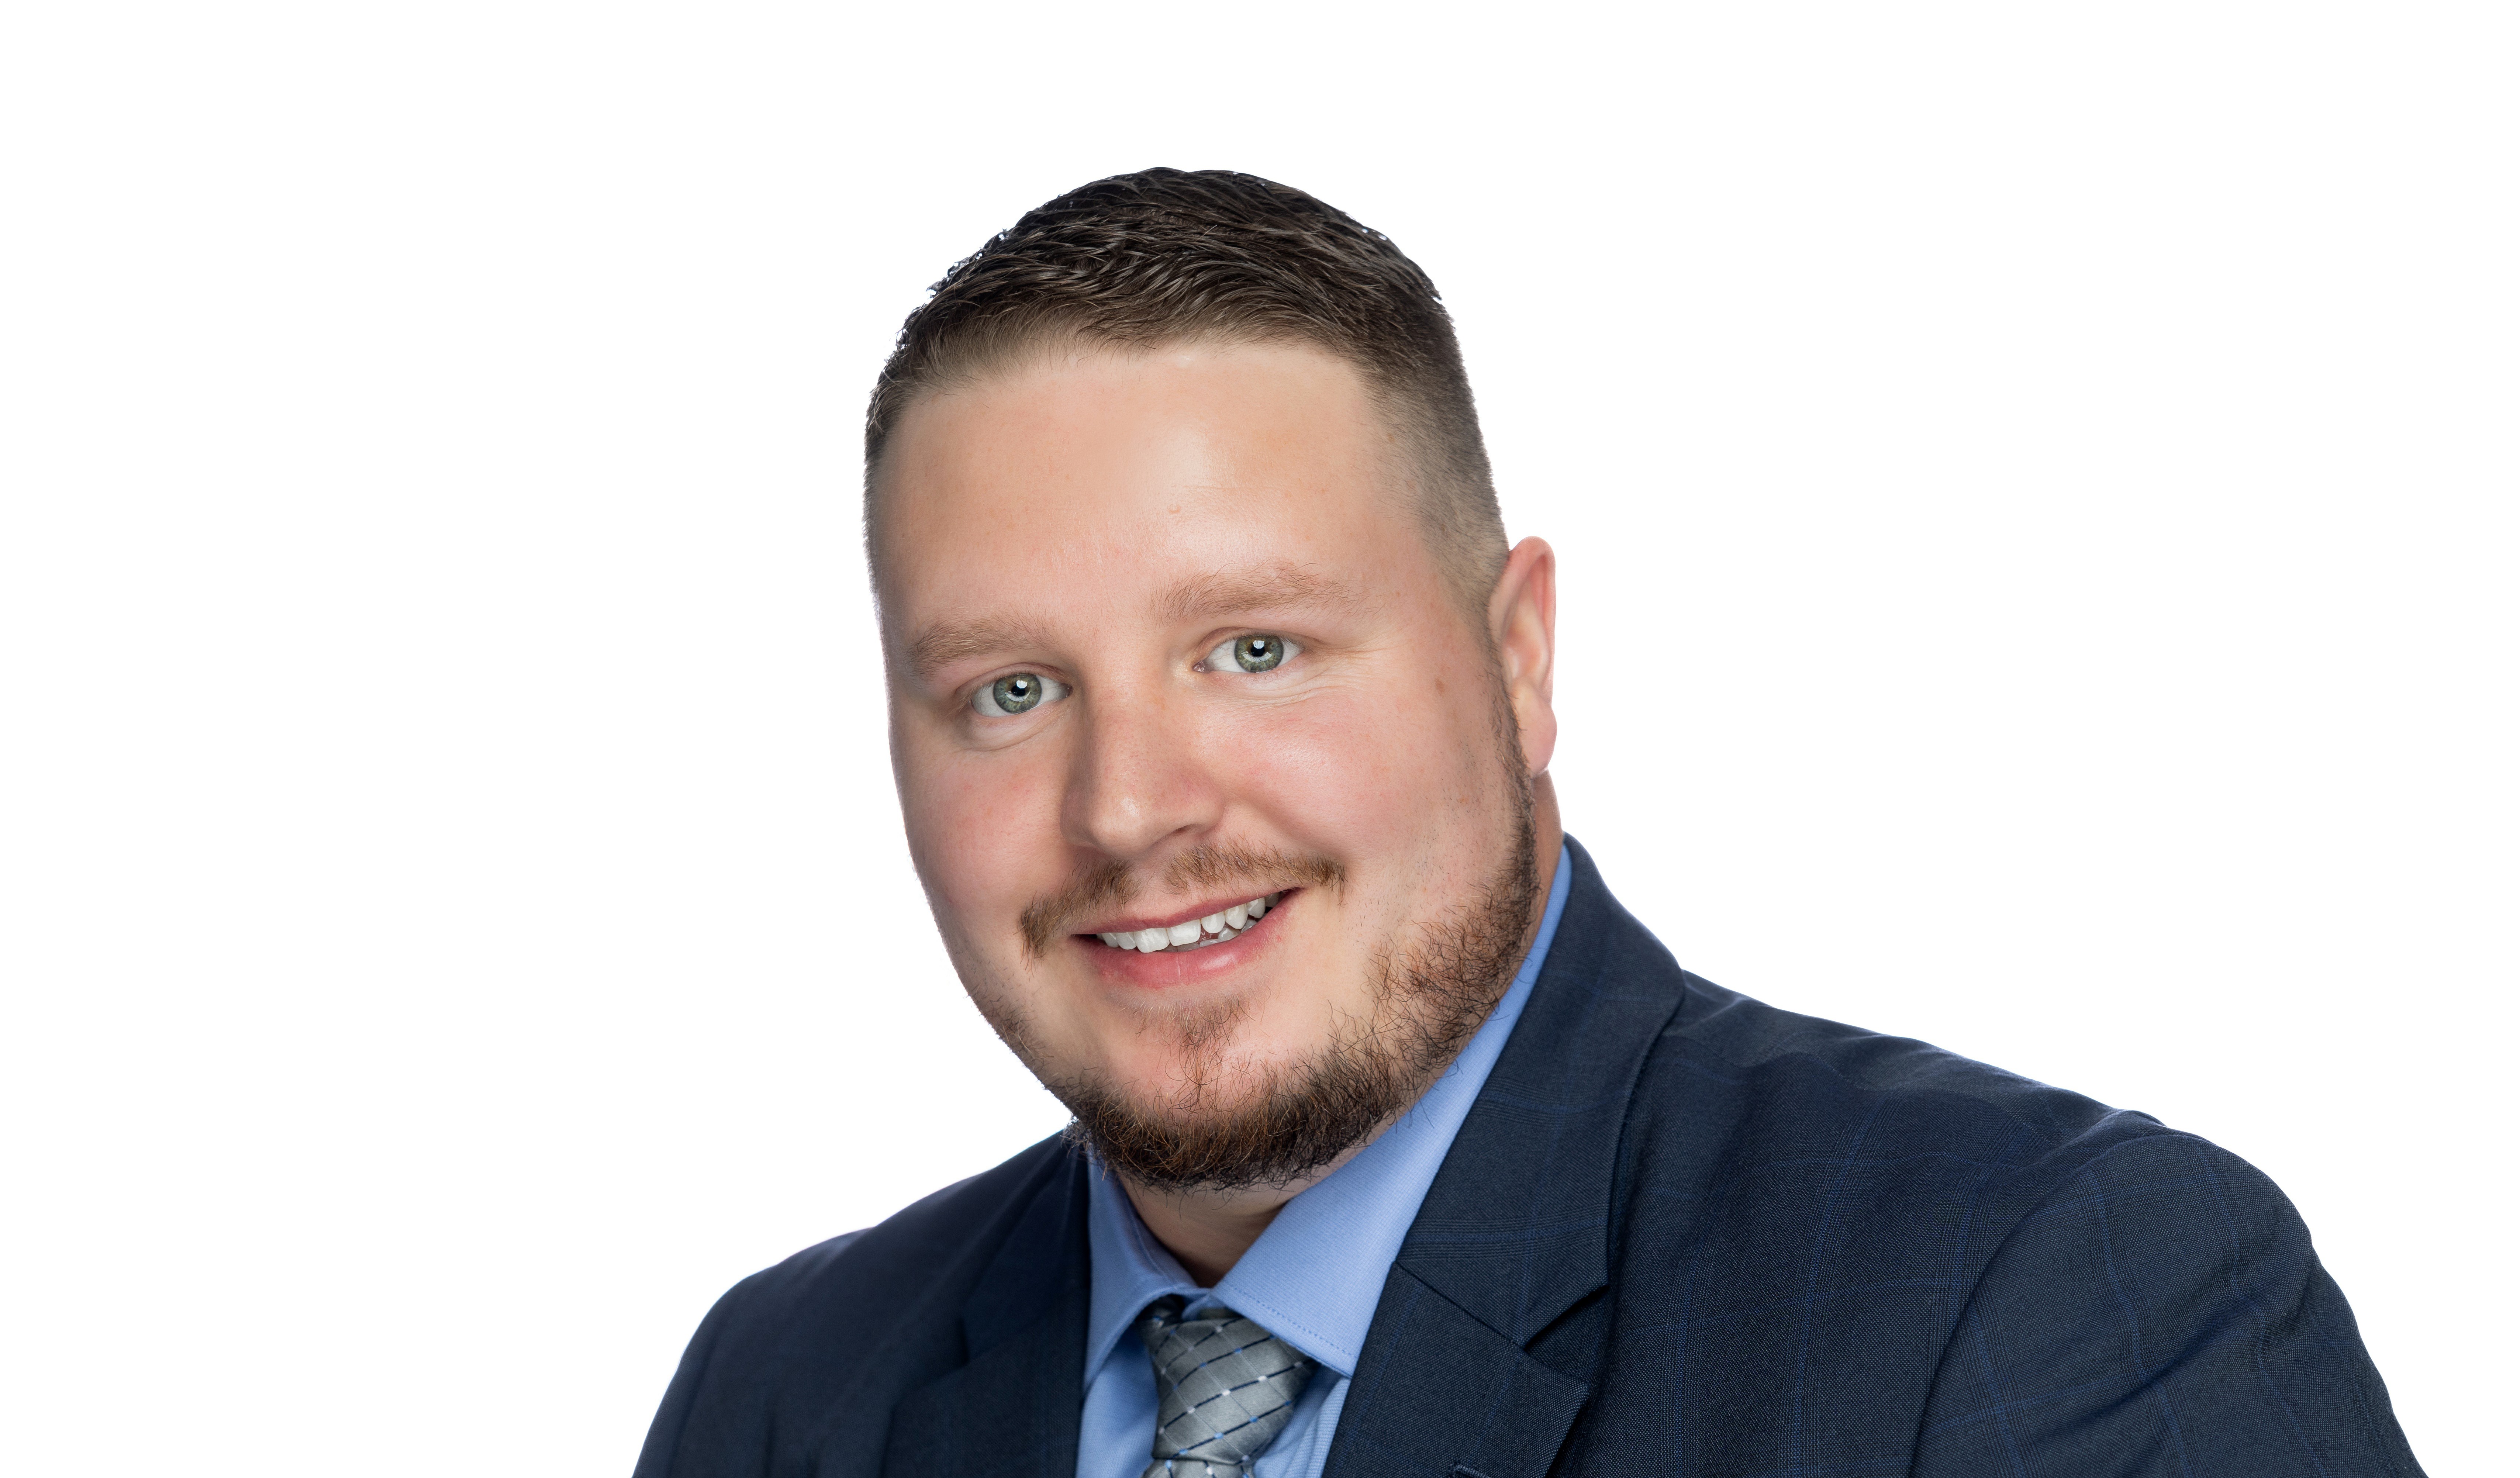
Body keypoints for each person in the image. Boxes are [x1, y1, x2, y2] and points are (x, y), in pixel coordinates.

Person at [634, 169, 2422, 1478]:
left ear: (1517, 658)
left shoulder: (2042, 1304)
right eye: (1009, 693)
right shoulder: (783, 1398)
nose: (1129, 810)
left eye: (1253, 650)